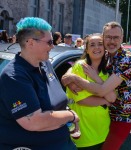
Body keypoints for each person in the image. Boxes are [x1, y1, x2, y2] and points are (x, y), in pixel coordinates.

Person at [0, 17, 79, 150]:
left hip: (61, 142)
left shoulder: (45, 64)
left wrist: (65, 116)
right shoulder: (14, 75)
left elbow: (54, 103)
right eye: (49, 42)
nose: (53, 46)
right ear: (31, 43)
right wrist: (71, 116)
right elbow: (34, 121)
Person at [62, 21, 131, 150]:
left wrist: (75, 78)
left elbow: (103, 90)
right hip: (108, 115)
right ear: (103, 38)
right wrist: (69, 75)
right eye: (108, 37)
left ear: (122, 39)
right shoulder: (107, 55)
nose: (112, 41)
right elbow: (81, 62)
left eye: (116, 38)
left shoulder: (126, 59)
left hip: (123, 117)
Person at [66, 33, 116, 150]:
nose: (97, 48)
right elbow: (82, 100)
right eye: (92, 45)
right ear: (87, 49)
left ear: (105, 48)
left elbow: (112, 98)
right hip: (84, 132)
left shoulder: (108, 70)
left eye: (100, 44)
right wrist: (104, 100)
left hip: (103, 130)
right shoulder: (80, 66)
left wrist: (95, 77)